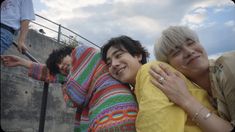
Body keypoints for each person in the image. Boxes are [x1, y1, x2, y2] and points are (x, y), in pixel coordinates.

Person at [101, 35, 232, 132]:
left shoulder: (151, 71)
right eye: (109, 63)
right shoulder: (135, 89)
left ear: (138, 55)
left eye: (118, 55)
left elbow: (156, 125)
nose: (114, 64)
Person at [1, 45, 138, 131]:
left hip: (120, 106)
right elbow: (51, 74)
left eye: (61, 60)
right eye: (58, 67)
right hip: (98, 117)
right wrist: (21, 62)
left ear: (72, 53)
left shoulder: (89, 54)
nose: (61, 66)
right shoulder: (70, 79)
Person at [150, 26, 235, 131]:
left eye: (191, 43)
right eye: (176, 52)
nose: (189, 51)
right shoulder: (199, 93)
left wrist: (186, 100)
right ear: (169, 66)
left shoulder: (230, 64)